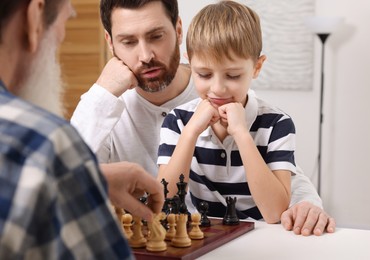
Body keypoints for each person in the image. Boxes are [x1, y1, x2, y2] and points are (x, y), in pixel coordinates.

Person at [71, 0, 335, 235]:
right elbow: (64, 173)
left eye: (156, 36)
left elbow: (284, 175)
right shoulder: (107, 107)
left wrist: (306, 205)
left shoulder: (224, 93)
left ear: (177, 31)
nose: (145, 56)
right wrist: (101, 94)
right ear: (110, 42)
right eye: (128, 42)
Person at [0, 0, 163, 258]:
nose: (145, 56)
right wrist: (66, 174)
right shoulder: (44, 143)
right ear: (34, 17)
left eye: (156, 36)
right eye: (65, 22)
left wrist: (86, 177)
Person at [157, 0, 292, 223]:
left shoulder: (277, 124)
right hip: (201, 242)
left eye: (233, 76)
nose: (218, 88)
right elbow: (164, 199)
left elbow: (275, 213)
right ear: (189, 64)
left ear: (257, 67)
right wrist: (191, 132)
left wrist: (241, 134)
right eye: (204, 74)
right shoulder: (178, 121)